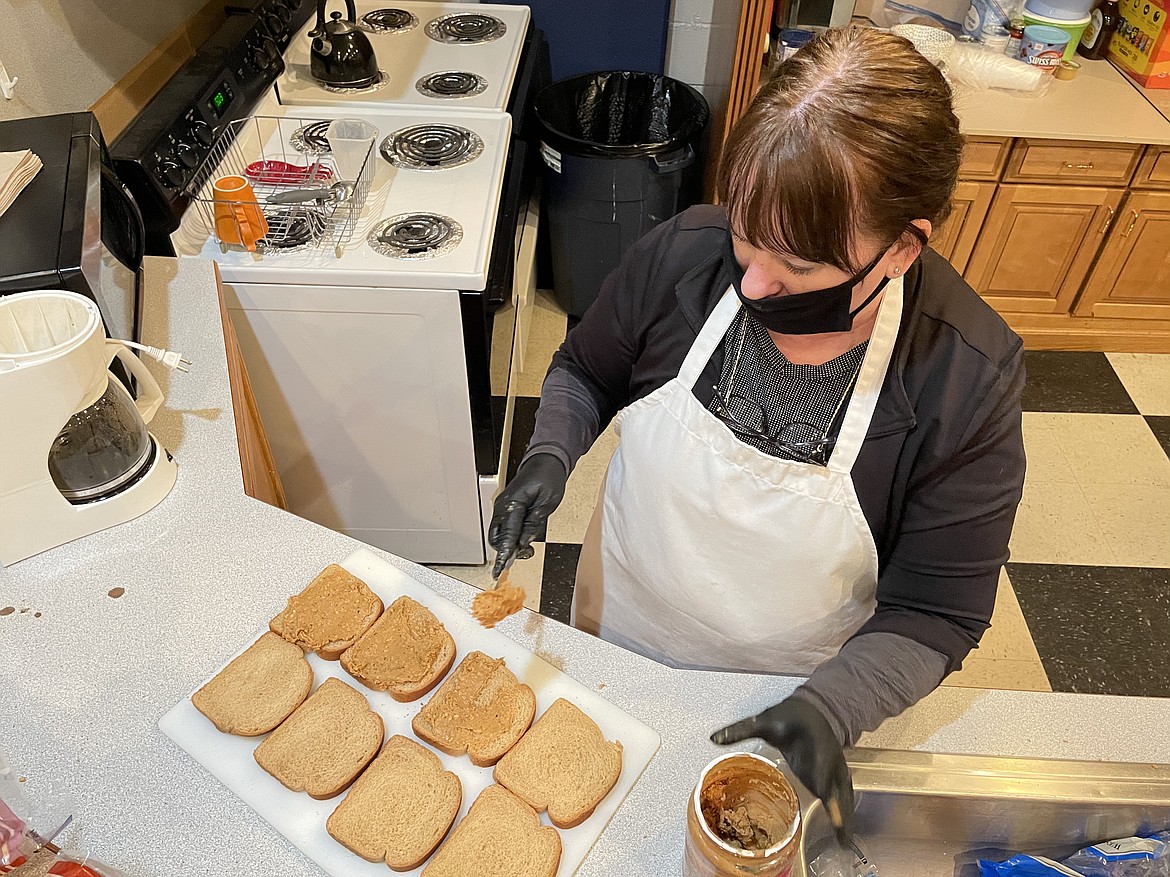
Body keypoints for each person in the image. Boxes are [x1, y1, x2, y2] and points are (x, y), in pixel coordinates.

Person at [490, 25, 1026, 842]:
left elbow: (936, 614)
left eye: (800, 267)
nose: (753, 283)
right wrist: (551, 451)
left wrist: (831, 707)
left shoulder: (966, 377)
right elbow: (587, 370)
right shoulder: (683, 256)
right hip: (628, 626)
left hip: (783, 691)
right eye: (748, 233)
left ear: (906, 244)